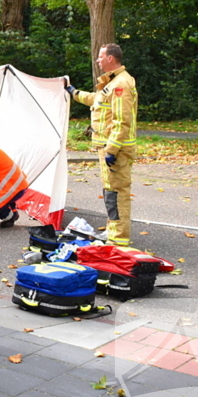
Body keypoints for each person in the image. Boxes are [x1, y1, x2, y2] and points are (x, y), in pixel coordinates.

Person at [67, 43, 138, 246]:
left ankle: (118, 238)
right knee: (110, 191)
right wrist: (73, 92)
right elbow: (96, 100)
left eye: (100, 56)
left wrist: (112, 150)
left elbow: (122, 121)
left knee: (116, 193)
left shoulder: (120, 84)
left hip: (116, 151)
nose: (97, 60)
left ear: (110, 58)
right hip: (110, 149)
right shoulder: (113, 82)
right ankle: (113, 230)